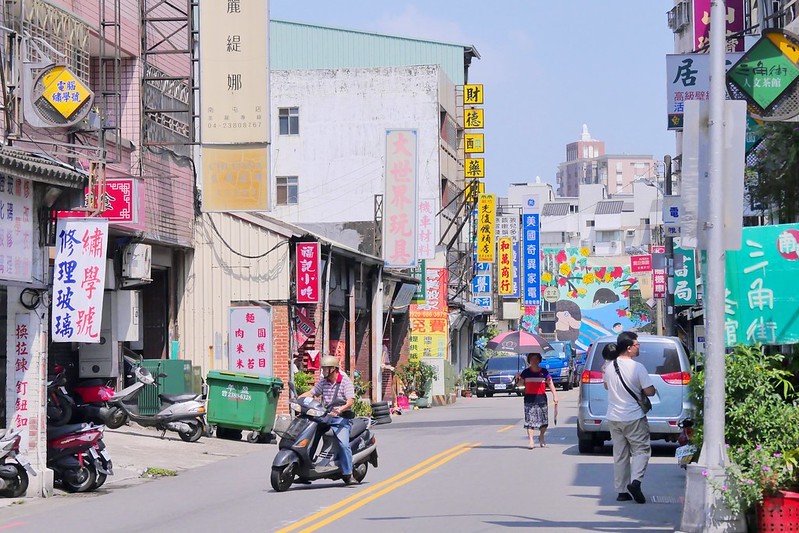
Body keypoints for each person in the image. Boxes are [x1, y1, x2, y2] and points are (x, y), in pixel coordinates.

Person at [602, 331, 656, 504]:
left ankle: (622, 491)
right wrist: (650, 390)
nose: (638, 347)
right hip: (633, 416)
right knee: (641, 450)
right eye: (637, 345)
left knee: (620, 454)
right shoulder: (637, 367)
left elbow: (606, 386)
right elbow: (649, 391)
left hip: (614, 417)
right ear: (629, 348)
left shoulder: (609, 367)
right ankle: (636, 482)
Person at [299, 355, 356, 484]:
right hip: (327, 416)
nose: (323, 371)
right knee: (310, 436)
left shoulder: (345, 381)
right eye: (323, 369)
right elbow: (312, 393)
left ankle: (348, 473)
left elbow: (350, 400)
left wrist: (340, 409)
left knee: (343, 444)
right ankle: (306, 469)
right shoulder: (324, 381)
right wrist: (297, 399)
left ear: (333, 369)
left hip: (341, 418)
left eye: (325, 369)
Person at [515, 352, 559, 449]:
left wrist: (555, 395)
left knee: (543, 421)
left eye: (536, 359)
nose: (534, 361)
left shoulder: (544, 372)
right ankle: (531, 440)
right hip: (529, 399)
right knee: (529, 421)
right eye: (532, 359)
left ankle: (541, 436)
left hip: (541, 398)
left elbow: (550, 383)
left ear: (539, 360)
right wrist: (517, 378)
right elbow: (519, 384)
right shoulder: (526, 373)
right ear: (529, 361)